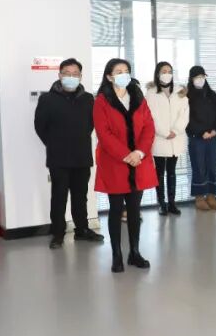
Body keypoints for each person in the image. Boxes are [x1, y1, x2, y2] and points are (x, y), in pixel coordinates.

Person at [93, 59, 155, 273]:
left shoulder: (138, 96)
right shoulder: (101, 101)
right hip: (115, 162)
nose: (123, 74)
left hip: (139, 161)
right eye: (118, 71)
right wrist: (126, 155)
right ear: (109, 76)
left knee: (135, 210)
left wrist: (139, 153)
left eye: (126, 71)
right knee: (116, 209)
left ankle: (134, 253)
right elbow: (104, 133)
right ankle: (117, 255)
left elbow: (149, 127)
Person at [34, 58, 104, 249]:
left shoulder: (88, 99)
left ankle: (82, 230)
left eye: (75, 74)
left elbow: (90, 125)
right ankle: (58, 233)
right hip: (58, 157)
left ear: (80, 76)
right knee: (59, 197)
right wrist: (54, 143)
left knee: (81, 196)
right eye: (67, 73)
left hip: (82, 155)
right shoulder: (47, 99)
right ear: (60, 75)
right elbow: (40, 126)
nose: (71, 77)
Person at [146, 61, 189, 216]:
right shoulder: (151, 93)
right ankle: (161, 203)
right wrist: (164, 132)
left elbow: (185, 113)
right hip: (160, 138)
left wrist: (175, 130)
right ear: (158, 73)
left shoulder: (180, 92)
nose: (167, 74)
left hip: (176, 138)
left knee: (171, 172)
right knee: (159, 172)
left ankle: (172, 203)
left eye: (169, 71)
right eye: (163, 71)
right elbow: (150, 115)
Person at [185, 65, 216, 212]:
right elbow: (187, 119)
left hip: (212, 137)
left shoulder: (212, 95)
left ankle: (211, 196)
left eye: (202, 76)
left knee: (212, 166)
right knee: (199, 167)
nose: (200, 79)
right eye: (197, 77)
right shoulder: (187, 97)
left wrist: (215, 130)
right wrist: (201, 132)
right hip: (197, 138)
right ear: (191, 79)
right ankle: (199, 197)